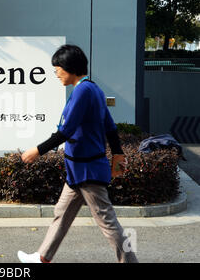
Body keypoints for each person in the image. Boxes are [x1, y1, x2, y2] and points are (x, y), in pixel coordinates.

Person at [17, 45, 138, 263]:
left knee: (108, 223)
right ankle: (42, 257)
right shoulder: (94, 89)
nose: (56, 73)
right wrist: (118, 153)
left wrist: (38, 150)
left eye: (58, 69)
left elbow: (66, 130)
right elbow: (110, 127)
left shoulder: (83, 91)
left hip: (87, 170)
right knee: (61, 212)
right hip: (77, 170)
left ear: (69, 67)